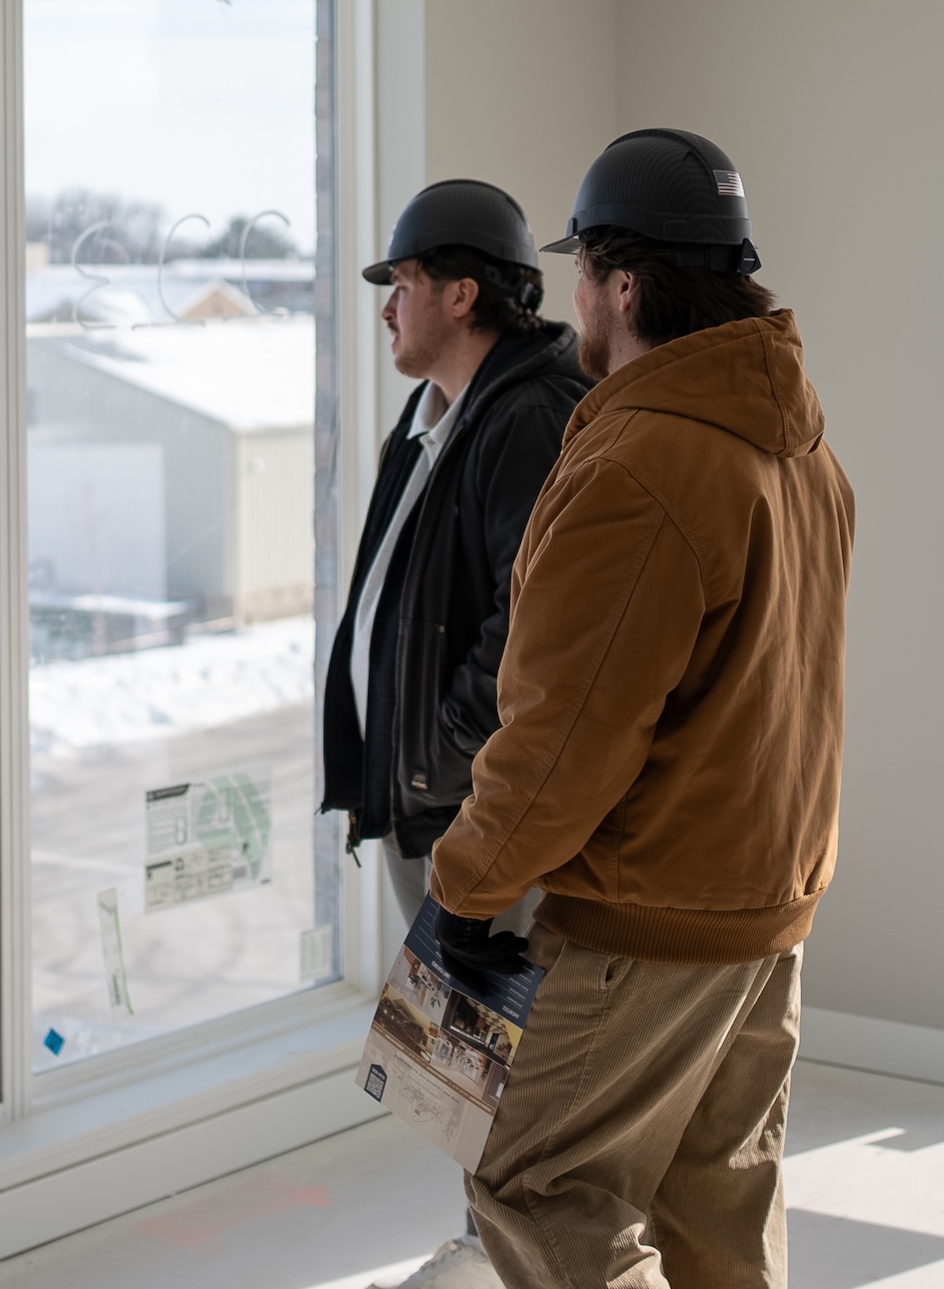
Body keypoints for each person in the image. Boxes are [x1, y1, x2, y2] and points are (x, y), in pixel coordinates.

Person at [427, 129, 856, 1289]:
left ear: (624, 282)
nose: (573, 300)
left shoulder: (641, 465)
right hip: (764, 900)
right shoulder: (797, 446)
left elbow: (568, 729)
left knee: (532, 1175)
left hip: (645, 915)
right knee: (713, 1196)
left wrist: (465, 883)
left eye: (582, 272)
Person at [321, 178, 589, 1289]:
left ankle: (506, 1258)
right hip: (425, 793)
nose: (386, 304)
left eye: (403, 282)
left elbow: (531, 624)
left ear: (464, 291)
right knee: (465, 1062)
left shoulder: (525, 411)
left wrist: (442, 740)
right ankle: (488, 1251)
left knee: (500, 1061)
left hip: (472, 803)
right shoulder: (436, 409)